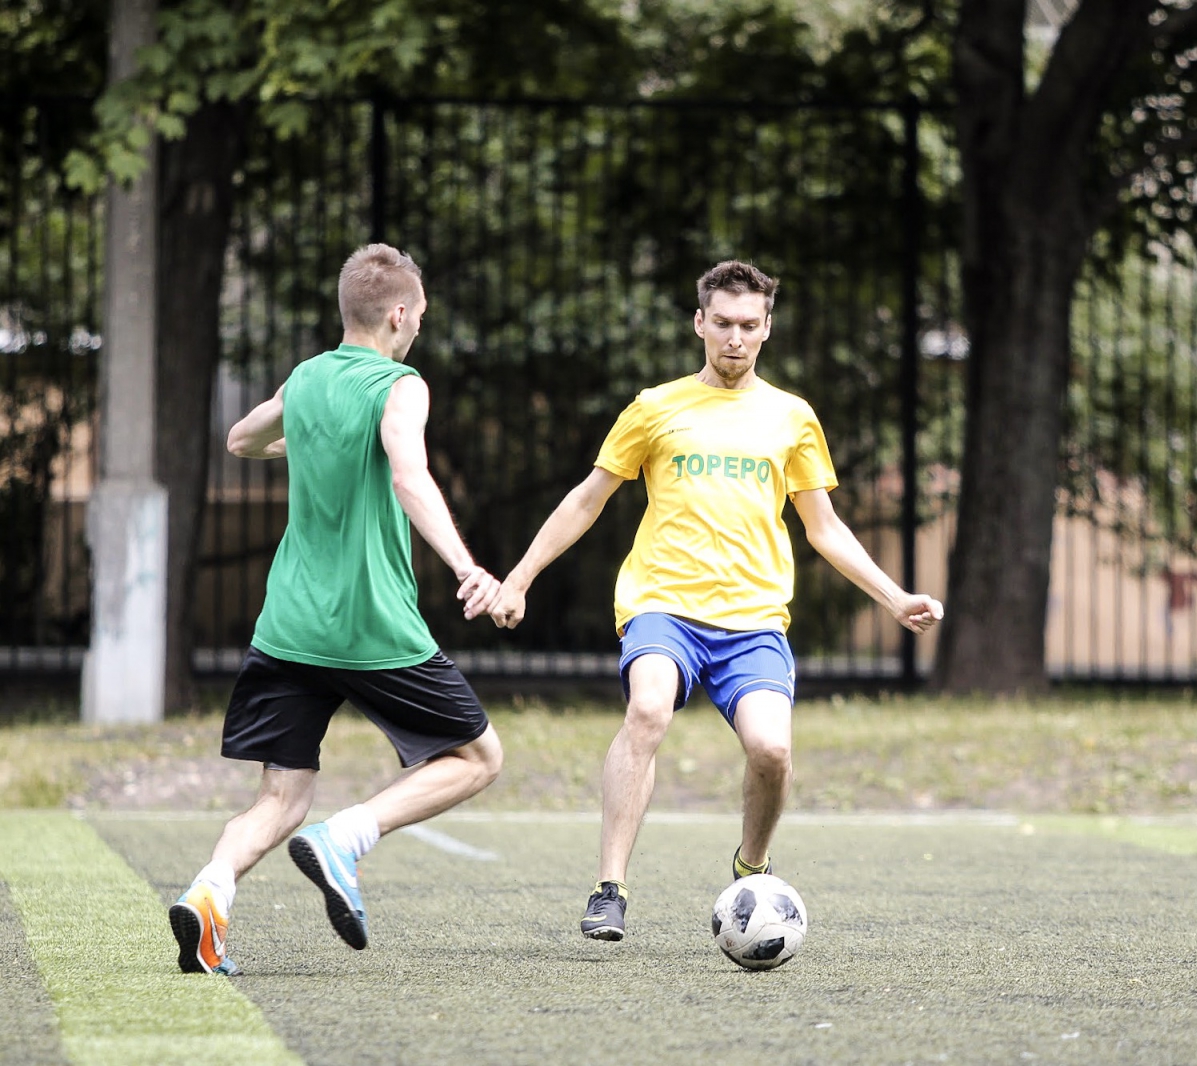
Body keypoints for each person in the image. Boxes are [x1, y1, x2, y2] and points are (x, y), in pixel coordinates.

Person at [488, 260, 943, 941]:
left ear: (767, 330)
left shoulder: (792, 417)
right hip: (662, 603)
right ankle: (609, 888)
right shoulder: (654, 407)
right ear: (700, 323)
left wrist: (893, 595)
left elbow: (824, 527)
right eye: (722, 324)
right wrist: (518, 577)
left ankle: (751, 868)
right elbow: (587, 500)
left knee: (773, 754)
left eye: (749, 326)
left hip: (754, 619)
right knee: (645, 711)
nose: (735, 338)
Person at [169, 243, 504, 975]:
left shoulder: (306, 377)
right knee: (480, 757)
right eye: (417, 319)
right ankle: (346, 837)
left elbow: (239, 439)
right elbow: (411, 476)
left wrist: (312, 440)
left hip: (287, 628)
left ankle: (208, 893)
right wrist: (467, 567)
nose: (417, 330)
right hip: (370, 628)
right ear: (398, 315)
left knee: (281, 798)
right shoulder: (400, 383)